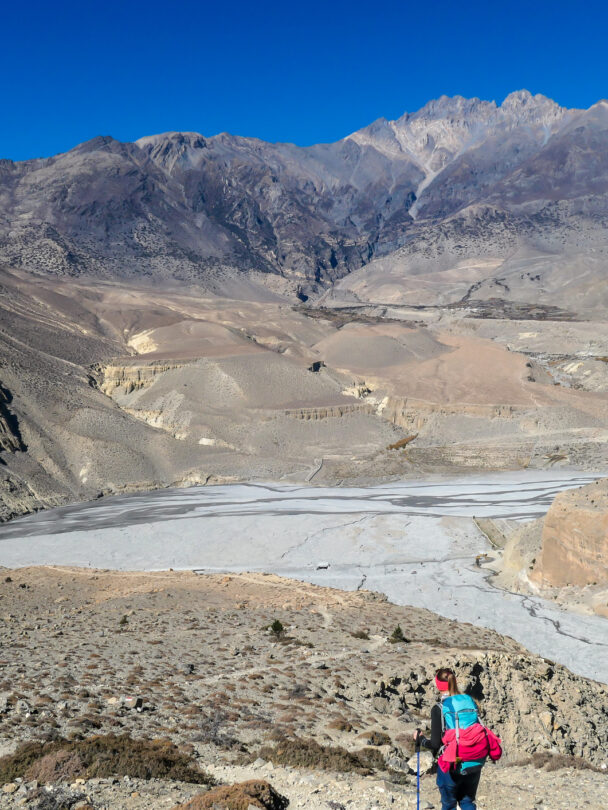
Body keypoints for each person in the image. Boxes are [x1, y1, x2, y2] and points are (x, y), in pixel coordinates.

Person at [413, 668, 486, 810]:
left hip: (453, 762)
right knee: (467, 802)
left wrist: (421, 740)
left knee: (449, 804)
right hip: (473, 760)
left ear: (438, 685)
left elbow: (435, 744)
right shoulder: (470, 701)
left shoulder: (439, 708)